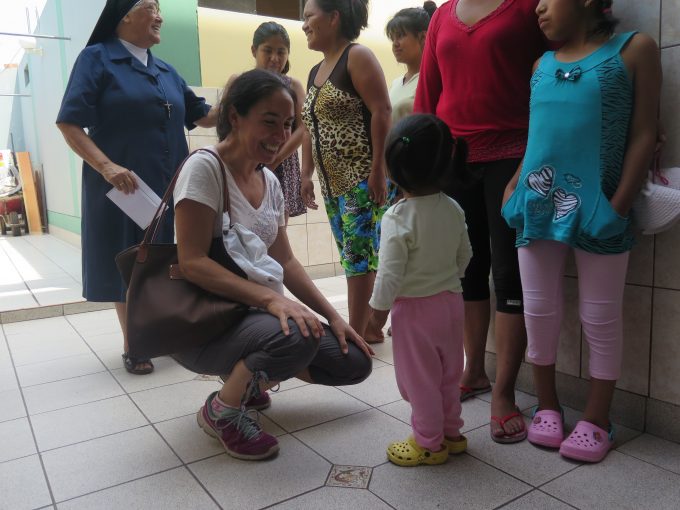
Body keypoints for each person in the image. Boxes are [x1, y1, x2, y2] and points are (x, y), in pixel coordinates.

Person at [172, 69, 374, 461]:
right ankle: (222, 412)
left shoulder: (272, 181)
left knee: (355, 362)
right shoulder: (204, 168)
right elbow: (192, 261)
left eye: (288, 124)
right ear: (235, 116)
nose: (281, 136)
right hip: (203, 325)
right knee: (297, 336)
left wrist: (334, 316)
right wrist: (272, 301)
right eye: (269, 122)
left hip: (255, 318)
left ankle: (249, 379)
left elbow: (286, 260)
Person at [502, 0, 660, 462]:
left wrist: (620, 203)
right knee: (539, 310)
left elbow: (644, 133)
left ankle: (597, 417)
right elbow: (537, 134)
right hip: (534, 201)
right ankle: (547, 405)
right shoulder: (541, 63)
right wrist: (515, 183)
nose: (538, 9)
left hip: (601, 206)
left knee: (600, 315)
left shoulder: (634, 50)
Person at [414, 0, 551, 443]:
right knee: (467, 271)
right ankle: (474, 370)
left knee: (510, 275)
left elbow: (559, 68)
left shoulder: (529, 7)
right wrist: (419, 164)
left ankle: (505, 393)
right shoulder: (443, 15)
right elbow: (428, 95)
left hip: (515, 154)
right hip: (456, 159)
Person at [56, 0, 217, 375]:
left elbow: (203, 114)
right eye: (151, 6)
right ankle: (135, 341)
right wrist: (106, 166)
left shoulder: (165, 70)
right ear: (125, 13)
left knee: (166, 261)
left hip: (168, 186)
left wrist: (246, 97)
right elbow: (69, 123)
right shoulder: (96, 59)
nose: (159, 15)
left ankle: (162, 329)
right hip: (124, 187)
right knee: (132, 261)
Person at [369, 114, 472, 466]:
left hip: (414, 311)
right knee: (448, 374)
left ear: (393, 169)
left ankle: (428, 442)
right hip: (452, 304)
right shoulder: (453, 208)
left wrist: (376, 314)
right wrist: (447, 279)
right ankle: (452, 433)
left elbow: (389, 275)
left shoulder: (397, 218)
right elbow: (465, 256)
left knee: (420, 381)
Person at [300, 0, 394, 344]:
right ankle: (369, 327)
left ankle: (356, 334)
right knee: (354, 255)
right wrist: (306, 172)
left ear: (334, 17)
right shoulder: (315, 71)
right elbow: (309, 127)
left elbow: (382, 110)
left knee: (358, 258)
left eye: (309, 16)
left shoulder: (357, 56)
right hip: (331, 184)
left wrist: (378, 170)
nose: (304, 24)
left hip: (359, 178)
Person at [235, 21, 307, 222]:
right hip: (247, 165)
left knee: (278, 226)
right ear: (254, 50)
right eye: (268, 50)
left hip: (281, 164)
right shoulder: (242, 83)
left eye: (281, 52)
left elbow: (304, 127)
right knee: (245, 223)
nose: (275, 58)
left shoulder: (293, 85)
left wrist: (277, 159)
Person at [386, 2, 437, 124]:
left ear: (423, 37)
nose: (395, 43)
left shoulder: (431, 81)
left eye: (400, 36)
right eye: (392, 38)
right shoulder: (396, 83)